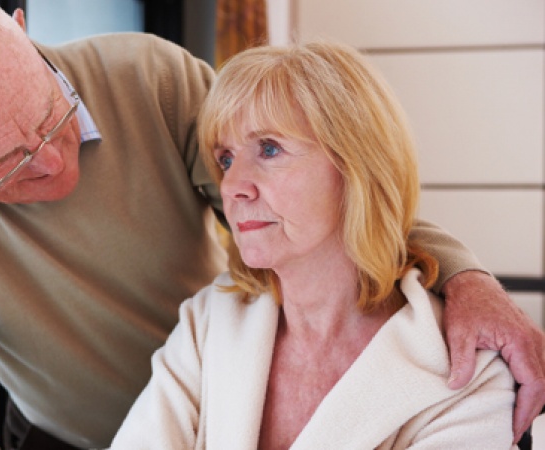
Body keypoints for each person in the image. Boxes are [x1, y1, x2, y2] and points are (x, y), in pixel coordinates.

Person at [0, 0, 543, 448]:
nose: (55, 161)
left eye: (53, 116)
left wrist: (464, 274)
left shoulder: (150, 77)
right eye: (8, 164)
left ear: (22, 30)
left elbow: (324, 198)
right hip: (66, 432)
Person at [110, 41, 518, 449]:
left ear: (356, 164)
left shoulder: (465, 369)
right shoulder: (208, 323)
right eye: (227, 159)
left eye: (269, 149)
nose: (232, 186)